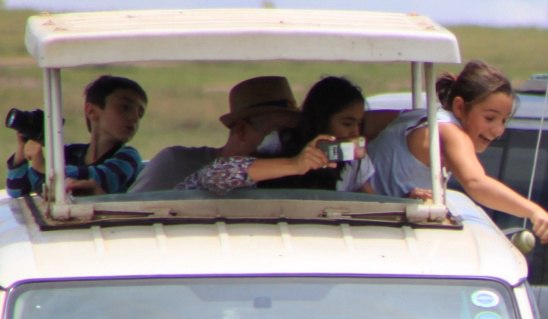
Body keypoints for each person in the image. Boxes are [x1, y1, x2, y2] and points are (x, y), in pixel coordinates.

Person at [364, 61, 548, 246]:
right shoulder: (451, 133)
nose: (498, 131)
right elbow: (476, 183)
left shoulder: (418, 116)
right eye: (489, 118)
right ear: (460, 107)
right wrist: (534, 211)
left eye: (504, 121)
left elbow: (362, 123)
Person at [129, 77, 327, 194]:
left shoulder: (285, 178)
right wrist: (294, 165)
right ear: (240, 130)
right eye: (275, 134)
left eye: (291, 134)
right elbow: (220, 173)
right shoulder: (178, 162)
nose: (283, 143)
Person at [7, 74, 147, 198]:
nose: (135, 118)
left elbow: (103, 179)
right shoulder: (68, 153)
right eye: (125, 107)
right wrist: (21, 153)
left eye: (140, 113)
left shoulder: (128, 157)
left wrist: (46, 168)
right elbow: (17, 190)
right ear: (91, 111)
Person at [262, 76, 376, 192]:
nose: (355, 132)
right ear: (321, 120)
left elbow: (370, 198)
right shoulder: (276, 142)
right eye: (347, 124)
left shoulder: (355, 157)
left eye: (359, 124)